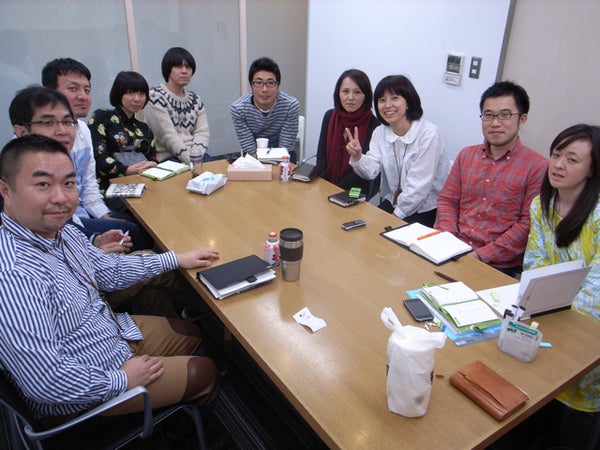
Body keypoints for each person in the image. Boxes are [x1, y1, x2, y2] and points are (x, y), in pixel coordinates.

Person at [0, 134, 220, 424]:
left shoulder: (59, 232)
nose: (61, 198)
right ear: (6, 190)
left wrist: (174, 259)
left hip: (109, 336)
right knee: (205, 373)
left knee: (191, 333)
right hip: (84, 392)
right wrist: (121, 380)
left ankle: (167, 411)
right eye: (43, 184)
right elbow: (45, 381)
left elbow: (109, 270)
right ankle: (179, 433)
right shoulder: (14, 273)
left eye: (68, 183)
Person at [523, 123, 600, 449]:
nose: (558, 165)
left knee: (575, 422)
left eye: (572, 159)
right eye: (556, 155)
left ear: (592, 169)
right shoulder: (541, 205)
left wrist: (555, 321)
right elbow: (535, 264)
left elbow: (595, 291)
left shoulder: (597, 215)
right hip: (550, 314)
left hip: (588, 328)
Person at [9, 84, 151, 252]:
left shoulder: (61, 157)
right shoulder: (17, 176)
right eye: (48, 123)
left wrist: (93, 239)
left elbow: (68, 222)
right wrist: (91, 250)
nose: (62, 130)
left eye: (67, 122)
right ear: (21, 131)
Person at [435, 81, 548, 277]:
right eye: (488, 115)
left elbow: (527, 225)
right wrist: (449, 240)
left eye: (505, 115)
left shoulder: (537, 167)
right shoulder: (466, 155)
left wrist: (479, 255)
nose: (495, 123)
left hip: (496, 263)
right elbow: (447, 200)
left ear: (522, 119)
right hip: (452, 249)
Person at [41, 58, 153, 250]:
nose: (82, 96)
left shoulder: (83, 129)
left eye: (87, 90)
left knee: (146, 220)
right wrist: (93, 238)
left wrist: (104, 216)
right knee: (138, 230)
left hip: (85, 210)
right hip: (64, 222)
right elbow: (101, 163)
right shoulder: (101, 118)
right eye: (73, 88)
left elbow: (88, 185)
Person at [346, 75, 449, 227]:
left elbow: (418, 189)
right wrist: (358, 157)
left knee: (379, 234)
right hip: (393, 201)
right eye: (382, 100)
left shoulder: (429, 135)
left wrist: (392, 218)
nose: (387, 105)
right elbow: (371, 172)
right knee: (362, 228)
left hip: (425, 209)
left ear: (408, 102)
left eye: (394, 98)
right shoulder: (380, 132)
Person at [88, 71, 158, 204]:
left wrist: (153, 164)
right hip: (110, 188)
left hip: (142, 184)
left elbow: (152, 158)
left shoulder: (144, 128)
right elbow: (97, 157)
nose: (137, 99)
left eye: (141, 94)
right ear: (118, 93)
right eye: (130, 93)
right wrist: (125, 170)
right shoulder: (102, 117)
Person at [315, 69, 380, 193]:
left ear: (365, 96)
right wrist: (324, 186)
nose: (350, 97)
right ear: (338, 93)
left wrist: (336, 189)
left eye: (357, 92)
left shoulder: (375, 125)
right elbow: (321, 157)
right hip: (327, 184)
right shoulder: (329, 116)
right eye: (345, 91)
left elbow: (364, 171)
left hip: (357, 188)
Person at [144, 47, 210, 164]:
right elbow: (168, 137)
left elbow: (202, 132)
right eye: (179, 66)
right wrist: (192, 162)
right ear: (168, 69)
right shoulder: (155, 97)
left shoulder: (195, 99)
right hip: (168, 158)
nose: (184, 71)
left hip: (196, 157)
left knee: (220, 172)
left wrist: (196, 156)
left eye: (188, 67)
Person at [231, 56, 300, 163]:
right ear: (251, 86)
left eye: (270, 83)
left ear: (278, 86)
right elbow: (249, 149)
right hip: (254, 156)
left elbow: (285, 149)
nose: (264, 89)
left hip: (283, 156)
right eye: (258, 83)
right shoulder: (238, 109)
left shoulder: (290, 105)